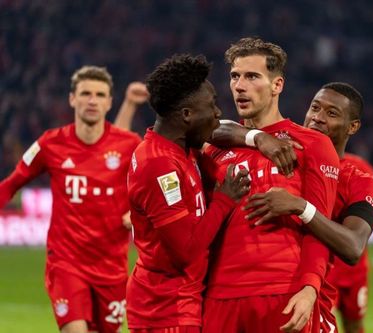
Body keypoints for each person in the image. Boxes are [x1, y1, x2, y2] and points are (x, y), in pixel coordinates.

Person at [201, 37, 340, 333]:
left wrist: (309, 288)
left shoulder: (312, 144)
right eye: (235, 76)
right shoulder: (212, 148)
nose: (240, 85)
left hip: (283, 292)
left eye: (252, 76)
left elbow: (320, 227)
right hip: (218, 296)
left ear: (277, 85)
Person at [0, 66, 142, 333]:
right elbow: (10, 185)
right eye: (85, 93)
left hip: (111, 267)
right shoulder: (50, 144)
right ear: (72, 99)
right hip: (66, 263)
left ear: (109, 102)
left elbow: (152, 190)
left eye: (99, 95)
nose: (92, 100)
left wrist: (138, 212)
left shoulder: (129, 144)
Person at [243, 82, 373, 333]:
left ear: (353, 127)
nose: (317, 118)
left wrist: (301, 207)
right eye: (315, 108)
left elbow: (353, 247)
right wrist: (258, 137)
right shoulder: (282, 152)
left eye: (332, 114)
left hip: (316, 296)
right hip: (259, 293)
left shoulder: (359, 181)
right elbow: (219, 129)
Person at [125, 54, 250, 333]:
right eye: (212, 105)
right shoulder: (159, 165)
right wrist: (224, 200)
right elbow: (186, 252)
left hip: (182, 301)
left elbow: (222, 133)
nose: (218, 113)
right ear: (186, 115)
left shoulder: (183, 149)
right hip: (166, 308)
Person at [328, 152, 373, 333]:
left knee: (354, 325)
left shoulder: (358, 166)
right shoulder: (309, 161)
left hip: (354, 268)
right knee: (322, 325)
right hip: (324, 267)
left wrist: (359, 225)